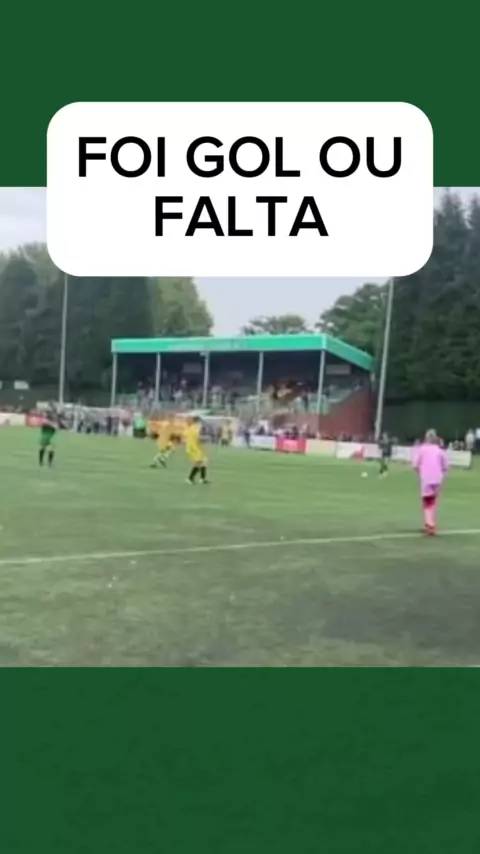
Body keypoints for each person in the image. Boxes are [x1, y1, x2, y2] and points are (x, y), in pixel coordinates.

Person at [412, 429, 448, 535]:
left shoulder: (422, 449)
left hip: (426, 478)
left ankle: (430, 525)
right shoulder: (439, 450)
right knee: (432, 501)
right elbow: (445, 466)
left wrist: (420, 474)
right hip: (437, 479)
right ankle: (429, 522)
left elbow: (415, 465)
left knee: (427, 501)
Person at [184, 416, 209, 484]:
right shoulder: (195, 428)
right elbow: (198, 437)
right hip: (194, 449)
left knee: (204, 461)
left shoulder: (191, 428)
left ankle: (202, 479)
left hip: (194, 448)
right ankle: (190, 478)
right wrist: (205, 438)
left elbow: (187, 436)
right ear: (197, 421)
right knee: (199, 463)